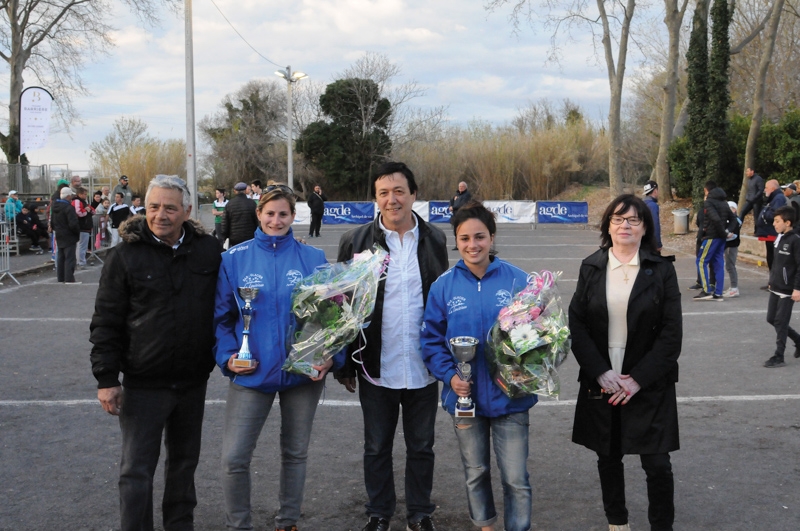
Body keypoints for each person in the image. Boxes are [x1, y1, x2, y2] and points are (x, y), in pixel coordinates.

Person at [90, 175, 222, 531]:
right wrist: (106, 378)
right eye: (153, 206)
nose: (160, 215)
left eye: (169, 207)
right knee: (136, 471)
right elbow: (106, 321)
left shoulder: (210, 250)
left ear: (187, 211)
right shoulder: (123, 256)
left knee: (183, 465)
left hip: (193, 382)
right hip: (143, 384)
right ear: (143, 207)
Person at [214, 186, 343, 531]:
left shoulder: (312, 258)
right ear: (258, 214)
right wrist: (228, 357)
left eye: (283, 214)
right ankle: (239, 524)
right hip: (251, 373)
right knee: (234, 458)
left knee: (295, 453)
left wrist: (330, 356)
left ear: (292, 216)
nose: (276, 220)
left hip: (302, 375)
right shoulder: (234, 259)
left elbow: (334, 317)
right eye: (269, 213)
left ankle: (288, 521)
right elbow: (222, 319)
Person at [335, 161, 448, 531]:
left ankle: (419, 513)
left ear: (414, 195)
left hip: (422, 365)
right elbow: (342, 308)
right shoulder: (355, 241)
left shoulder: (436, 239)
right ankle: (379, 512)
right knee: (376, 447)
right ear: (375, 198)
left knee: (421, 447)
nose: (392, 199)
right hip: (375, 364)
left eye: (399, 191)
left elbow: (442, 301)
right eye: (383, 192)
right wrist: (345, 364)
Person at [569, 194, 682, 531]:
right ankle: (617, 522)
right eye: (618, 219)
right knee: (608, 456)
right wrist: (600, 372)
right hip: (603, 378)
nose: (625, 225)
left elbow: (671, 333)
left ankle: (662, 526)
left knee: (658, 463)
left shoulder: (661, 270)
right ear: (608, 225)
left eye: (634, 220)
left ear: (645, 227)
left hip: (647, 380)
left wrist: (638, 379)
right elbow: (577, 323)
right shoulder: (591, 267)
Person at [420, 201, 534, 531]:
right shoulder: (443, 286)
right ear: (456, 241)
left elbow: (539, 336)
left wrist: (525, 370)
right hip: (464, 399)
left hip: (511, 398)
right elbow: (430, 341)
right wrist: (450, 376)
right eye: (465, 238)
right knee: (475, 472)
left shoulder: (519, 281)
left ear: (492, 238)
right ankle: (484, 526)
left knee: (516, 478)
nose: (473, 245)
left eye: (480, 237)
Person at [762, 206, 800, 368]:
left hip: (788, 289)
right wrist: (772, 279)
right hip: (776, 286)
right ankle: (798, 340)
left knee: (781, 322)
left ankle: (779, 356)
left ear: (788, 222)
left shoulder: (795, 240)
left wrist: (797, 288)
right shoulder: (780, 238)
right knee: (771, 318)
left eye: (778, 221)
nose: (774, 224)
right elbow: (776, 263)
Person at [694, 182, 735, 302]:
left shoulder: (709, 202)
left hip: (712, 236)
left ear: (707, 191)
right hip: (721, 238)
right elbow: (733, 220)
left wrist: (723, 232)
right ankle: (718, 293)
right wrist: (727, 231)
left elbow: (715, 219)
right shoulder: (724, 203)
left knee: (701, 261)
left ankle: (706, 290)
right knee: (718, 263)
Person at [756, 179, 787, 276]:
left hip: (772, 232)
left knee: (773, 257)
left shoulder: (778, 198)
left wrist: (764, 215)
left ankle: (774, 280)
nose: (765, 190)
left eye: (766, 188)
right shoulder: (774, 198)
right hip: (769, 231)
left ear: (773, 188)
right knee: (770, 257)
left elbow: (776, 214)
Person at [51, 187, 80, 284]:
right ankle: (69, 278)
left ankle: (61, 277)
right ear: (68, 196)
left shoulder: (54, 207)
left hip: (59, 233)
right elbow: (73, 223)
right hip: (69, 234)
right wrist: (76, 232)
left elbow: (52, 222)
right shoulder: (69, 208)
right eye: (71, 196)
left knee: (61, 257)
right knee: (69, 257)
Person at [222, 181, 259, 247]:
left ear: (235, 191)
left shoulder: (230, 204)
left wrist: (224, 236)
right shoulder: (252, 203)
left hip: (235, 238)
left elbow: (225, 222)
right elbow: (257, 220)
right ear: (245, 191)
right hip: (250, 237)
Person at [72, 186, 95, 268]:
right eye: (85, 194)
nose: (86, 196)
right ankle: (81, 262)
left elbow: (93, 211)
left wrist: (89, 210)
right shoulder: (77, 201)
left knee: (81, 246)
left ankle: (80, 261)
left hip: (85, 226)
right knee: (82, 246)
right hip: (82, 226)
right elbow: (79, 212)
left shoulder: (84, 202)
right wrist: (86, 211)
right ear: (80, 194)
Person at [724, 201, 742, 298]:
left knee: (730, 266)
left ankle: (734, 288)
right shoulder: (730, 220)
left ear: (734, 209)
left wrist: (725, 234)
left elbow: (732, 233)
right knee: (729, 266)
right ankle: (732, 287)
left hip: (732, 245)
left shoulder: (735, 220)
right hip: (728, 245)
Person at [449, 182, 472, 250]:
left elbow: (463, 204)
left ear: (465, 187)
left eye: (462, 186)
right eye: (460, 186)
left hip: (463, 215)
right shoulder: (456, 194)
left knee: (463, 231)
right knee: (456, 230)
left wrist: (453, 207)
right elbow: (451, 200)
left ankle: (465, 244)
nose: (460, 188)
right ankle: (457, 245)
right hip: (455, 215)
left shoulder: (467, 195)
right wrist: (450, 206)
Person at [643, 180, 662, 252]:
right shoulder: (653, 206)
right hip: (650, 242)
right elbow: (655, 224)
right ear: (655, 191)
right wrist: (658, 244)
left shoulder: (641, 204)